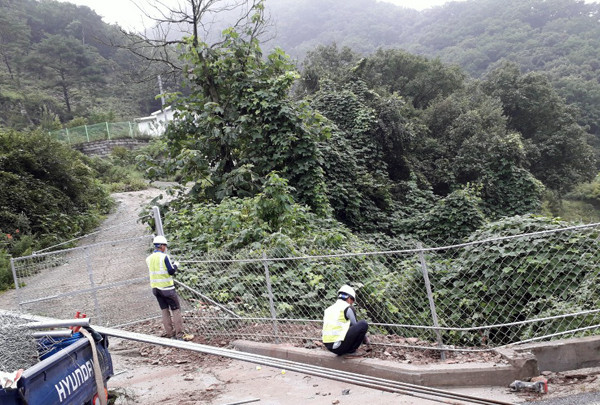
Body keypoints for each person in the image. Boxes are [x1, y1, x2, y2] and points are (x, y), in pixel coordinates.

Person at [146, 235, 193, 341]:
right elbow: (171, 271)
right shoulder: (164, 257)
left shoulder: (149, 258)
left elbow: (159, 269)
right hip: (167, 289)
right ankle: (180, 335)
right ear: (161, 246)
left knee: (164, 311)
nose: (165, 248)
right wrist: (175, 265)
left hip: (156, 289)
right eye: (165, 246)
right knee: (176, 310)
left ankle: (170, 334)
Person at [322, 284, 370, 358]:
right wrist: (366, 340)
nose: (352, 303)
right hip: (338, 346)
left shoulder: (329, 309)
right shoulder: (347, 308)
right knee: (363, 324)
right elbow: (355, 325)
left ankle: (345, 350)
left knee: (350, 324)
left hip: (329, 346)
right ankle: (351, 351)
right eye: (352, 301)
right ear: (349, 298)